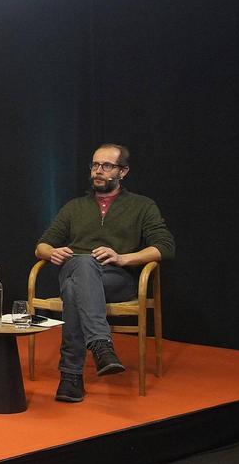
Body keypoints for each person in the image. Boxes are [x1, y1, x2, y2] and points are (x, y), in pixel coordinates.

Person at [35, 144, 175, 403]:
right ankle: (101, 345)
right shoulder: (74, 207)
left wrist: (123, 258)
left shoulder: (142, 206)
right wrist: (51, 252)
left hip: (116, 278)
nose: (98, 171)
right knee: (83, 265)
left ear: (123, 171)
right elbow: (42, 245)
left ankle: (70, 376)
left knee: (73, 290)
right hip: (76, 269)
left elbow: (165, 247)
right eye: (95, 165)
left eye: (107, 166)